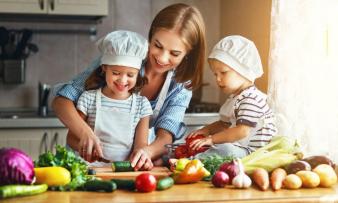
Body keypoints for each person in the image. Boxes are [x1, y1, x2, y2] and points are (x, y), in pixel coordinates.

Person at [52, 3, 206, 170]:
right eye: (157, 45)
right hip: (84, 165)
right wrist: (85, 134)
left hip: (124, 167)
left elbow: (165, 135)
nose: (162, 58)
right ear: (151, 35)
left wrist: (146, 153)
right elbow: (62, 101)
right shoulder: (120, 57)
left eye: (174, 53)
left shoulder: (181, 87)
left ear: (188, 53)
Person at [67, 30, 152, 166]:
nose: (122, 80)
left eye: (130, 75)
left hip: (122, 171)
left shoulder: (142, 105)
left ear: (137, 74)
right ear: (104, 68)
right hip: (89, 170)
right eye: (116, 73)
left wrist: (140, 158)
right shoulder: (88, 99)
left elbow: (140, 146)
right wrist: (86, 150)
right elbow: (71, 138)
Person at [187, 35, 277, 158]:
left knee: (225, 149)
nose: (218, 79)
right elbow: (223, 124)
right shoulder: (236, 98)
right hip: (241, 149)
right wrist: (206, 130)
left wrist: (212, 139)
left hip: (254, 154)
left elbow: (242, 131)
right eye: (215, 74)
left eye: (223, 73)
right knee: (218, 147)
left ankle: (192, 161)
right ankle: (193, 158)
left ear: (242, 70)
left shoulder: (251, 99)